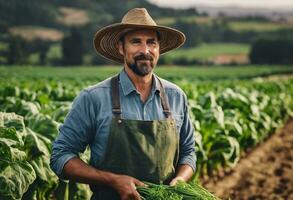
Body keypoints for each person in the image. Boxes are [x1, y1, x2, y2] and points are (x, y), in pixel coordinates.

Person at [50, 7, 196, 200]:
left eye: (151, 42)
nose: (145, 50)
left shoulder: (176, 96)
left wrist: (180, 180)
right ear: (121, 47)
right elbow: (60, 156)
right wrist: (112, 180)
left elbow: (188, 152)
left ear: (159, 49)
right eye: (136, 42)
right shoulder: (93, 98)